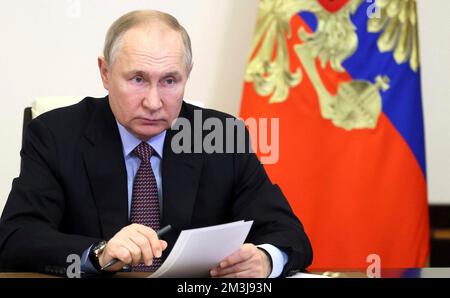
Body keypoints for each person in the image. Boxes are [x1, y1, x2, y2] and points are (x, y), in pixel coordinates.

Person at [0, 10, 312, 278]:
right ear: (105, 72)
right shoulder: (55, 135)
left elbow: (288, 234)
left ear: (187, 75)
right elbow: (15, 238)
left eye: (169, 81)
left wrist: (267, 259)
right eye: (137, 79)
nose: (153, 102)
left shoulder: (220, 136)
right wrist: (98, 253)